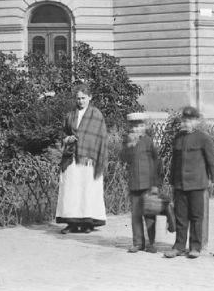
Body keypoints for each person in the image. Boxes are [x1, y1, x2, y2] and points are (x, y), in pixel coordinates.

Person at [165, 106, 214, 260]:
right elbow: (175, 161)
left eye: (189, 120)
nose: (186, 123)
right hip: (180, 184)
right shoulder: (178, 137)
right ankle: (179, 246)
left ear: (196, 121)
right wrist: (172, 180)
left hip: (197, 184)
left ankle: (195, 247)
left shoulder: (203, 138)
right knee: (180, 216)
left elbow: (212, 159)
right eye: (184, 120)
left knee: (196, 217)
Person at [55, 82, 109, 234]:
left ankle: (87, 223)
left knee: (87, 189)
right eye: (78, 98)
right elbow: (63, 133)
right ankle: (71, 223)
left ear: (90, 97)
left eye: (83, 98)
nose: (80, 101)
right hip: (71, 157)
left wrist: (95, 156)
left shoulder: (96, 115)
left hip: (89, 159)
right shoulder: (70, 115)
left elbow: (101, 137)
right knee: (71, 189)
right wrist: (67, 139)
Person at [120, 112, 160, 253]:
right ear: (130, 127)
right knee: (136, 215)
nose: (137, 129)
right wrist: (129, 145)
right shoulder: (128, 141)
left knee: (150, 214)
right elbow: (123, 158)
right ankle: (138, 243)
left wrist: (155, 184)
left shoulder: (148, 141)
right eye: (134, 127)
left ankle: (151, 243)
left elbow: (156, 162)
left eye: (140, 126)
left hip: (148, 184)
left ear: (144, 127)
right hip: (134, 184)